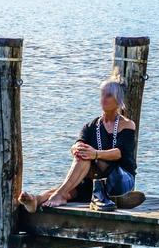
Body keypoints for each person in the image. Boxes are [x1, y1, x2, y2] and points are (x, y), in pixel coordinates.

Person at [18, 70, 146, 213]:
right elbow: (79, 143)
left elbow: (118, 153)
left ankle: (58, 195)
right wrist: (76, 148)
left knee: (86, 157)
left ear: (118, 100)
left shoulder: (127, 125)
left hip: (120, 178)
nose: (103, 98)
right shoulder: (91, 126)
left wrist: (95, 154)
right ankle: (37, 199)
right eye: (102, 94)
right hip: (94, 180)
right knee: (73, 185)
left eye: (108, 95)